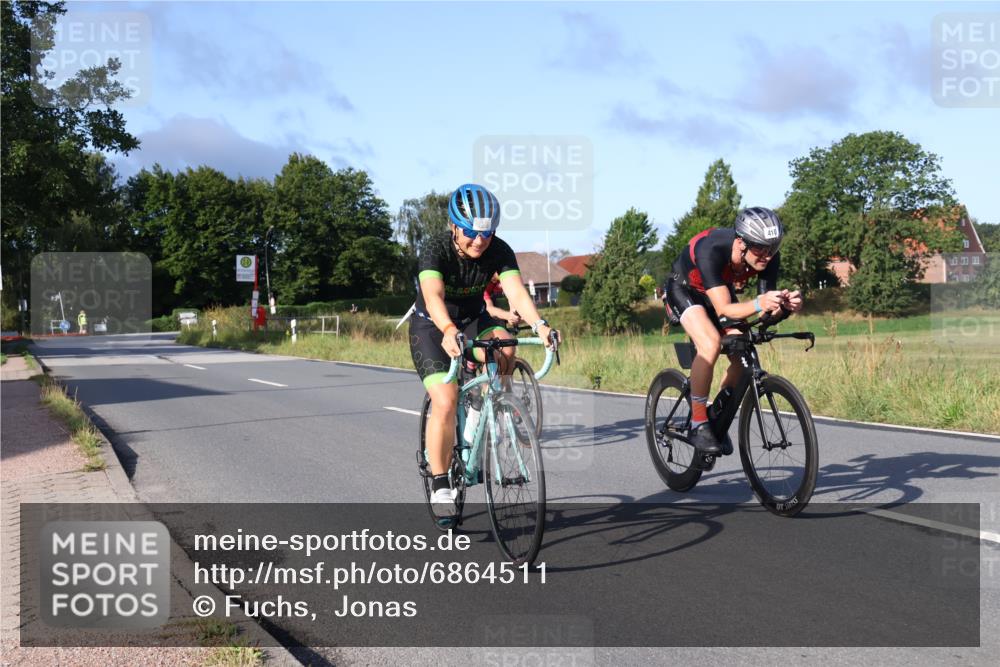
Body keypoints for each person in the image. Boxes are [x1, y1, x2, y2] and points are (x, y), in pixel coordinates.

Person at [410, 183, 560, 517]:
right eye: (470, 233)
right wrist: (448, 329)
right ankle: (439, 482)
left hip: (474, 319)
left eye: (487, 234)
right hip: (434, 326)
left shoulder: (499, 250)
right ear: (453, 227)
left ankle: (489, 403)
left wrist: (540, 325)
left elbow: (517, 294)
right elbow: (433, 296)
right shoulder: (435, 249)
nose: (479, 241)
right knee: (446, 401)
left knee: (506, 349)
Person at [662, 207, 803, 454]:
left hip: (718, 290)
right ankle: (697, 422)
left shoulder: (768, 256)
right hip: (684, 289)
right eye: (760, 248)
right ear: (741, 243)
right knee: (710, 343)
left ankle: (716, 416)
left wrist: (784, 308)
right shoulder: (712, 249)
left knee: (743, 351)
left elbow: (763, 316)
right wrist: (760, 302)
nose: (767, 256)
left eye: (773, 248)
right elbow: (724, 308)